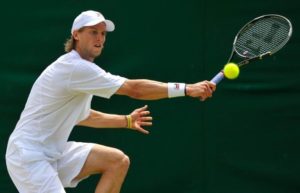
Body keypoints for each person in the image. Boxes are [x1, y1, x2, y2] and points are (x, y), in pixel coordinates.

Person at [5, 10, 216, 193]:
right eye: (93, 32)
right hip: (29, 156)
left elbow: (85, 116)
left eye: (103, 33)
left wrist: (126, 120)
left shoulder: (79, 71)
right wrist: (188, 89)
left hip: (55, 152)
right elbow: (134, 89)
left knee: (116, 161)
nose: (100, 38)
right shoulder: (75, 68)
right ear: (76, 35)